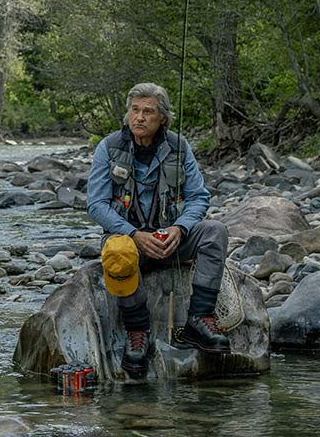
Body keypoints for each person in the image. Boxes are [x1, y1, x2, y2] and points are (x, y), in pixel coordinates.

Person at [86, 82, 231, 377]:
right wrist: (133, 234)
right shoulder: (108, 147)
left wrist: (181, 228)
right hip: (130, 240)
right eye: (134, 110)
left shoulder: (180, 147)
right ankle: (138, 332)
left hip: (171, 239)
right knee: (117, 250)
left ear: (163, 118)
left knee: (215, 230)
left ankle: (199, 319)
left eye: (148, 111)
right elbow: (96, 205)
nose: (139, 117)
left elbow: (199, 196)